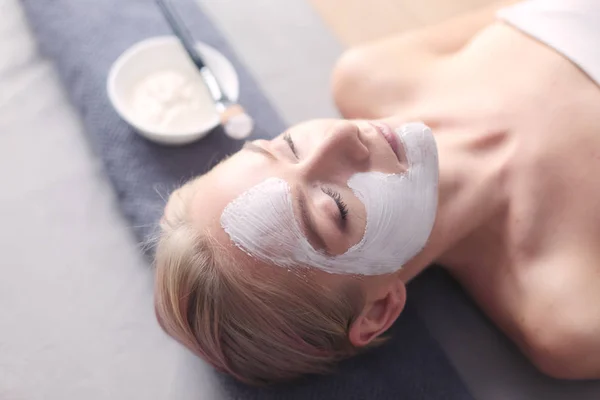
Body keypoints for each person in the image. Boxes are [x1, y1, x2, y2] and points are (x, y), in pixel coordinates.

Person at [154, 0, 600, 385]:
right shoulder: (567, 313)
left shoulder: (370, 75)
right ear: (377, 312)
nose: (339, 139)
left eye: (286, 145)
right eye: (336, 206)